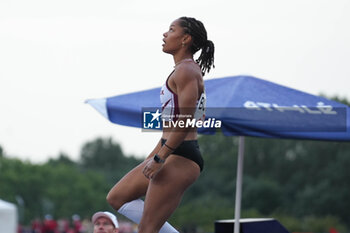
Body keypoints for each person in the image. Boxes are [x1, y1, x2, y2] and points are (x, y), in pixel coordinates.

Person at [106, 16, 215, 233]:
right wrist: (154, 155)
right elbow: (177, 122)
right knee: (117, 197)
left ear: (185, 39)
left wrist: (160, 157)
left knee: (147, 230)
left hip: (181, 155)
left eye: (171, 30)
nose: (165, 34)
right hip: (171, 149)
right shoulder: (183, 70)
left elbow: (185, 121)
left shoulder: (187, 70)